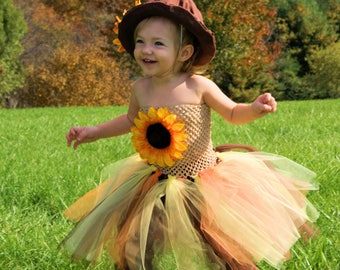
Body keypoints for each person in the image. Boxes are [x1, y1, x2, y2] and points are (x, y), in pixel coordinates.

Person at [61, 0, 319, 269]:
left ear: (184, 52)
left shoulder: (198, 86)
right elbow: (130, 120)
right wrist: (95, 132)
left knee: (218, 243)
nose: (146, 50)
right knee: (136, 241)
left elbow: (232, 112)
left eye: (158, 43)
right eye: (140, 41)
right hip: (156, 181)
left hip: (203, 180)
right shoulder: (141, 88)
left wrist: (254, 109)